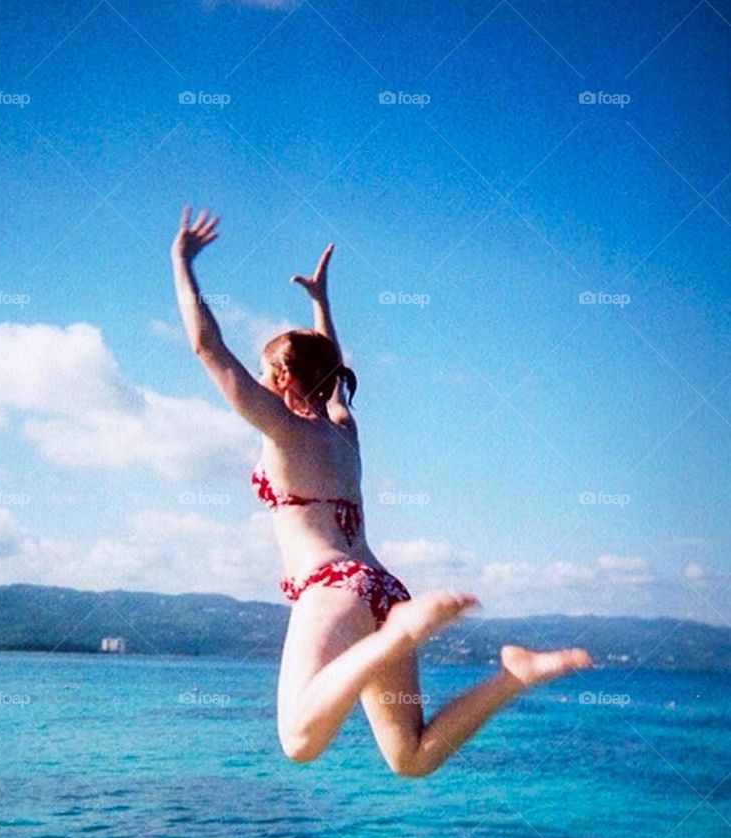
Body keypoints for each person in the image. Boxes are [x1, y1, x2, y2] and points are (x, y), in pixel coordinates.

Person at [172, 206, 592, 776]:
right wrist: (321, 303)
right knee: (410, 756)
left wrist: (182, 262)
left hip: (334, 588)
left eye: (266, 372)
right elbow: (331, 372)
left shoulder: (283, 430)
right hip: (383, 586)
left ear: (284, 379)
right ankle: (512, 676)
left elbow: (207, 348)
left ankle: (401, 633)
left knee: (299, 741)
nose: (260, 379)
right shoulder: (343, 429)